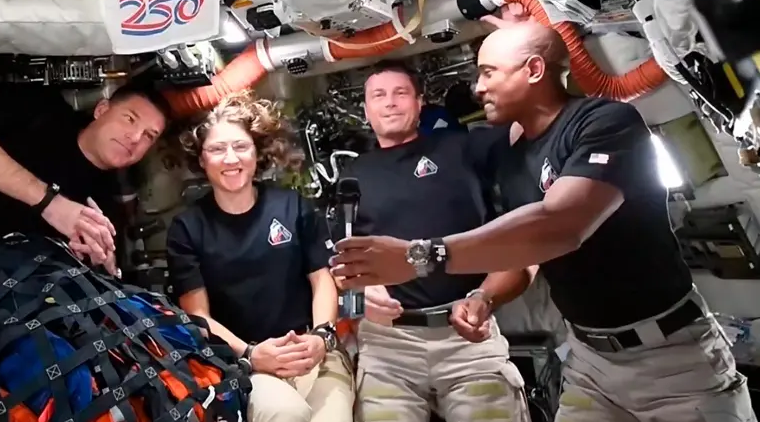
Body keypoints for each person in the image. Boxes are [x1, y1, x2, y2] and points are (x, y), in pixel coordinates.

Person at [331, 21, 757, 422]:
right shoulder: (512, 156)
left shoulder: (603, 122)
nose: (478, 88)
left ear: (534, 70)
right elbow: (526, 250)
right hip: (589, 360)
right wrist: (484, 297)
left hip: (673, 356)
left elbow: (561, 226)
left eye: (489, 72)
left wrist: (421, 256)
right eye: (378, 95)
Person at [338, 61, 534, 422]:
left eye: (400, 93)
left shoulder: (462, 147)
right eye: (378, 96)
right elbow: (338, 267)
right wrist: (360, 296)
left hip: (467, 339)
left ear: (419, 103)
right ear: (366, 111)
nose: (390, 102)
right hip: (388, 348)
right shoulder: (351, 177)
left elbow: (532, 121)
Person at [166, 92, 353, 422]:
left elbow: (321, 279)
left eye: (240, 146)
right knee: (287, 413)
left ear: (256, 152)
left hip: (310, 350)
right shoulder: (188, 228)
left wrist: (322, 337)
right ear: (201, 160)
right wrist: (251, 354)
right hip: (243, 363)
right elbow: (198, 315)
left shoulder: (292, 206)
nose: (230, 158)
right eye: (217, 149)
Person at [0, 80, 169, 272]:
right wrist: (50, 203)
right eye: (129, 119)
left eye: (148, 136)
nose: (135, 138)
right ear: (101, 110)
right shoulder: (40, 108)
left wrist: (102, 265)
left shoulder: (108, 214)